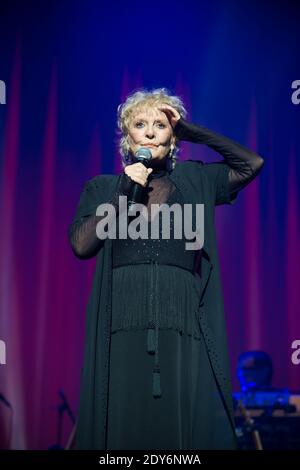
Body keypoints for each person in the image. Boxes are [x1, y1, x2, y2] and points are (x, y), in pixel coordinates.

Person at [68, 88, 264, 450]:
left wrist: (192, 131)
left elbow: (251, 164)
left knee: (178, 435)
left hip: (180, 329)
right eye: (140, 124)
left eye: (161, 125)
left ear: (173, 138)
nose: (150, 131)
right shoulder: (104, 187)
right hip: (121, 330)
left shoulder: (196, 180)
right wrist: (124, 191)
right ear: (128, 136)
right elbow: (82, 245)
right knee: (123, 431)